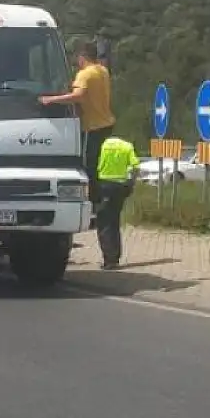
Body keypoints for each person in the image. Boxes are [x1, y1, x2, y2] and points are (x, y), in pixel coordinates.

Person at [39, 40, 115, 201]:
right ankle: (101, 198)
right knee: (100, 165)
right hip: (107, 122)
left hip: (92, 126)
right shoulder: (103, 71)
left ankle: (93, 200)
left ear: (82, 57)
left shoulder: (85, 74)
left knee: (88, 165)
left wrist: (51, 100)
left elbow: (78, 96)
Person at [93, 135, 139, 270]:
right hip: (120, 186)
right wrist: (131, 184)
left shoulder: (102, 145)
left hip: (103, 185)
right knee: (114, 220)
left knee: (104, 222)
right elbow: (135, 166)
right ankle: (115, 256)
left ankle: (109, 259)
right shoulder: (127, 146)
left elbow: (93, 165)